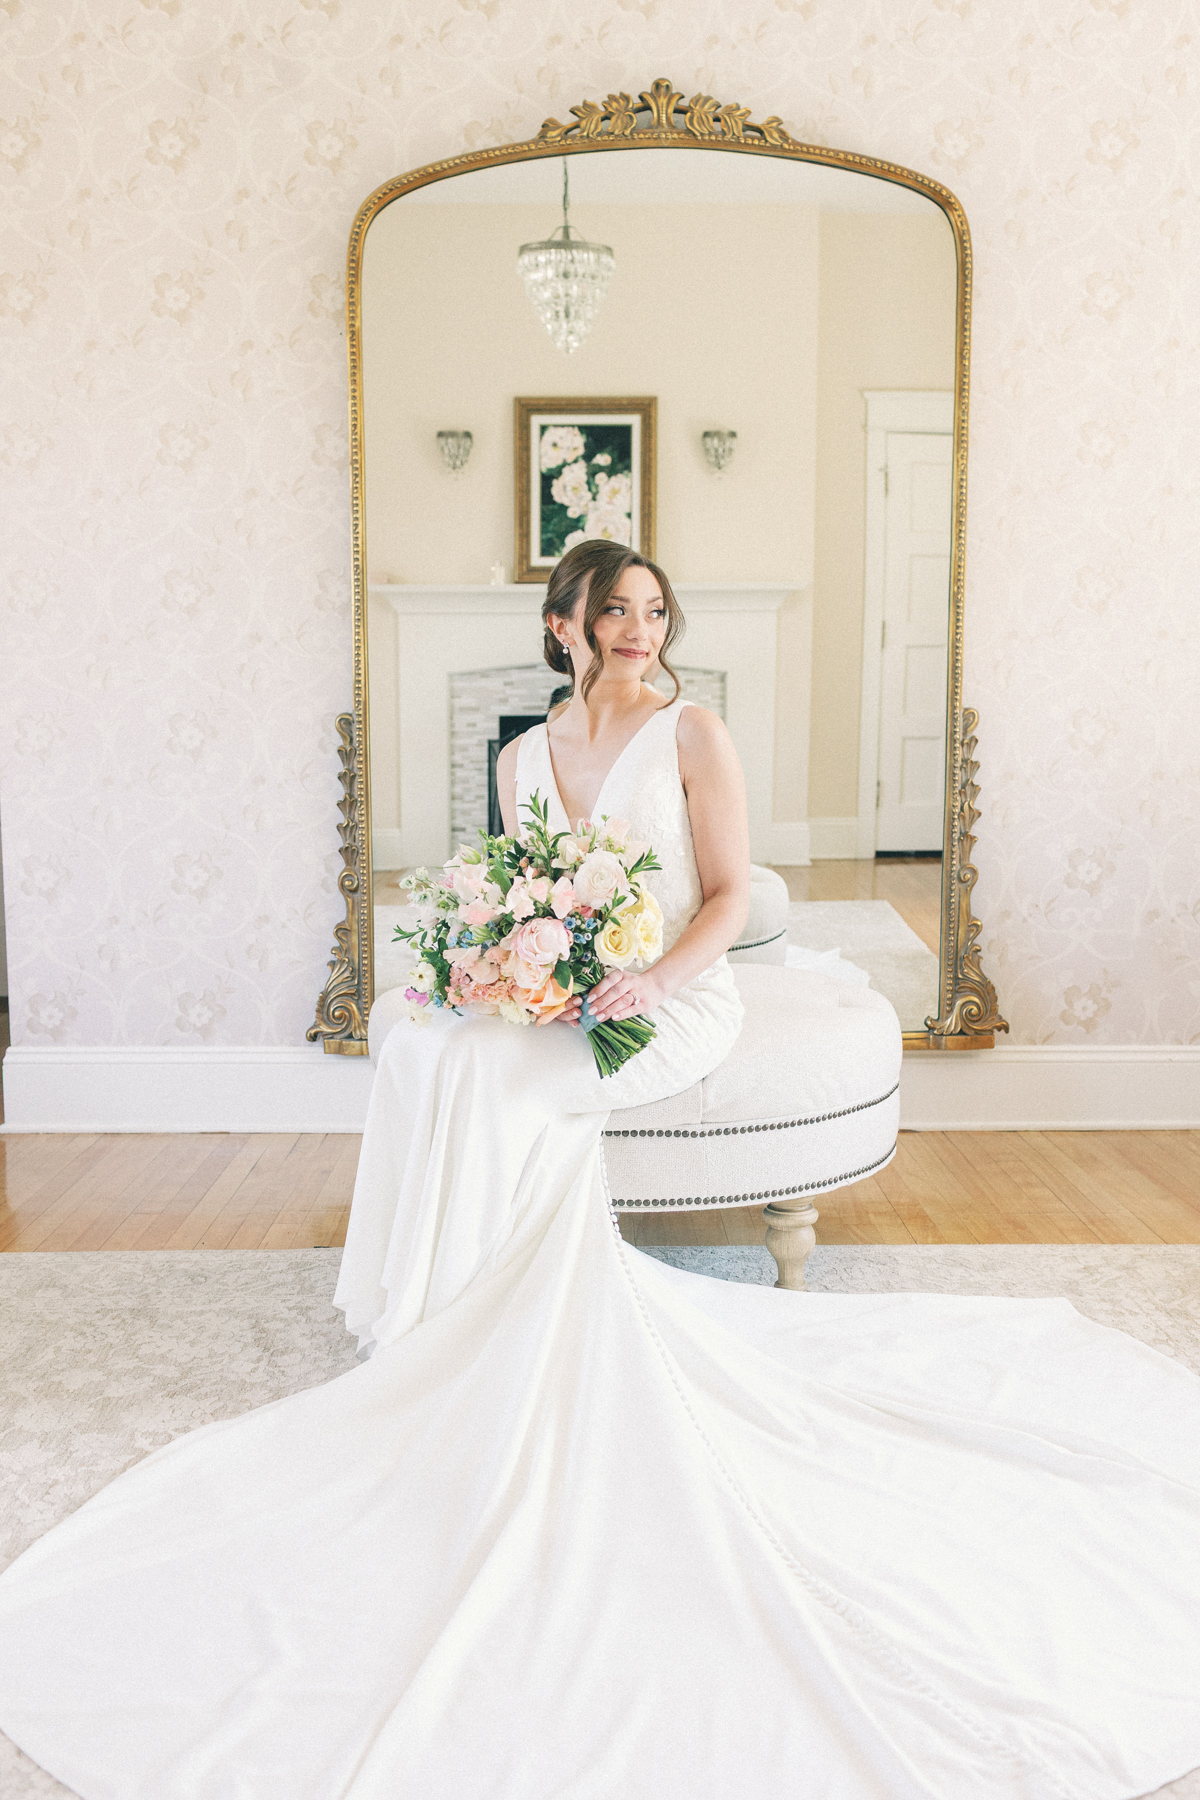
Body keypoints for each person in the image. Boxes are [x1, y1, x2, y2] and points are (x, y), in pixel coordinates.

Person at [0, 540, 1198, 1800]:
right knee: (428, 1043)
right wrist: (487, 969)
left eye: (655, 608)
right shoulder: (522, 758)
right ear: (563, 623)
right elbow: (518, 894)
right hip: (566, 992)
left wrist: (646, 978)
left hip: (673, 999)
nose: (640, 626)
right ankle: (434, 1315)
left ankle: (500, 1343)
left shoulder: (694, 734)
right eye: (615, 609)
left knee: (503, 1078)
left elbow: (731, 897)